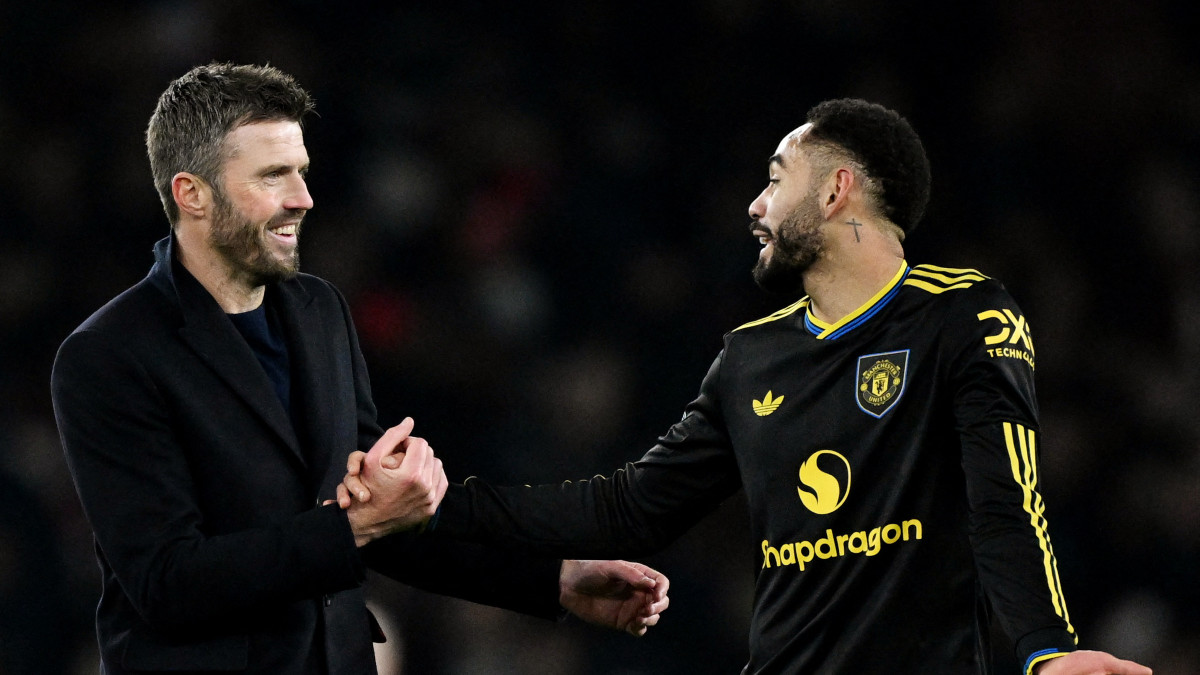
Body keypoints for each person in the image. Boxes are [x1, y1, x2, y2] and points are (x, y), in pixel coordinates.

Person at [342, 99, 1152, 674]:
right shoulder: (750, 356)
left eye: (776, 177)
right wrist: (438, 502)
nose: (756, 204)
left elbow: (1005, 500)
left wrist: (1046, 648)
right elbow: (629, 507)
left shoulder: (963, 313)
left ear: (837, 189)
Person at [51, 62, 668, 675]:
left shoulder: (319, 310)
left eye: (302, 172)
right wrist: (351, 529)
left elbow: (390, 516)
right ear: (193, 194)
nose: (303, 199)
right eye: (273, 176)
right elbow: (167, 583)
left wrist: (551, 582)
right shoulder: (108, 356)